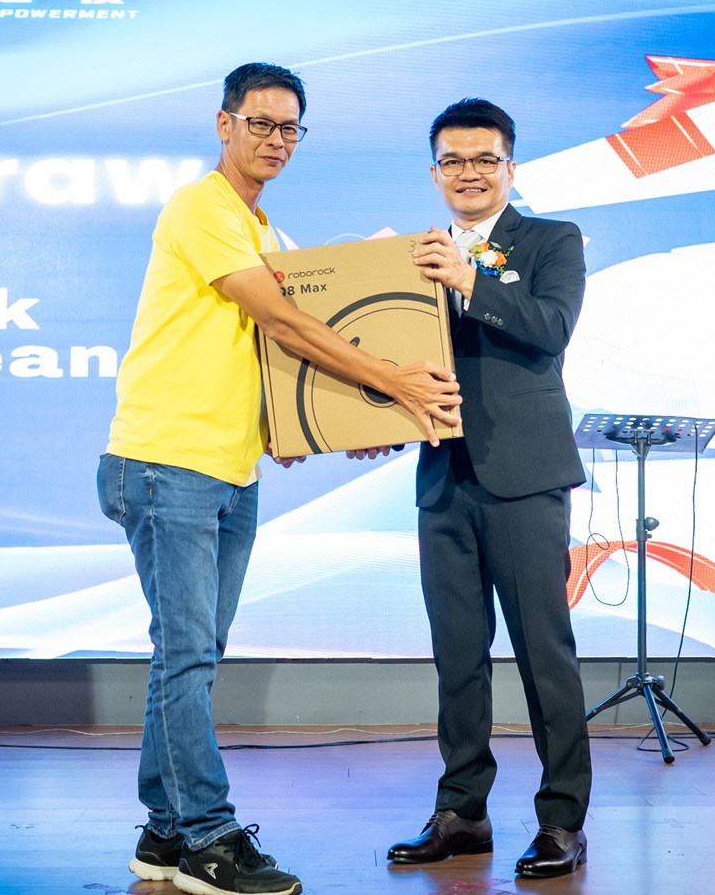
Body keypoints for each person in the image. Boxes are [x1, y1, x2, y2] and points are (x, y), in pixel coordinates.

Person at [97, 63, 460, 895]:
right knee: (186, 656)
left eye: (290, 127)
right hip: (166, 462)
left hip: (230, 466)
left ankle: (163, 834)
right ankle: (209, 837)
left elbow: (269, 366)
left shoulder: (267, 230)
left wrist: (341, 423)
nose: (276, 139)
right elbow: (285, 323)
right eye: (260, 122)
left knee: (191, 655)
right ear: (224, 124)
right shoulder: (202, 207)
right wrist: (394, 383)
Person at [384, 98, 592, 878]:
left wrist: (469, 276)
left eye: (483, 159)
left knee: (544, 653)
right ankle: (462, 810)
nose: (467, 173)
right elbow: (394, 357)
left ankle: (562, 818)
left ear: (510, 167)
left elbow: (550, 327)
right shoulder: (410, 257)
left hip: (526, 477)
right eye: (453, 161)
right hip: (443, 477)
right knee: (457, 656)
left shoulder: (551, 240)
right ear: (434, 171)